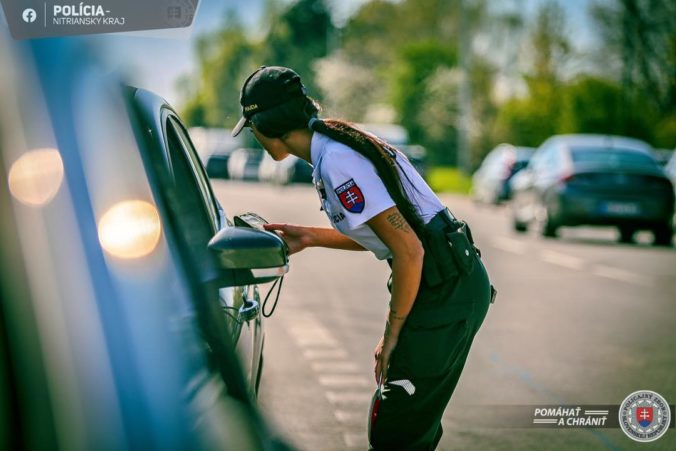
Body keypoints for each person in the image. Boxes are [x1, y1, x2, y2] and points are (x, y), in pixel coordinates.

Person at [232, 66, 494, 450]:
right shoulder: (331, 148)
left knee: (397, 428)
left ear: (268, 124)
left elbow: (408, 249)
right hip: (444, 280)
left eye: (251, 126)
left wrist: (391, 336)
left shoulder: (337, 160)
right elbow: (392, 235)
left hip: (445, 288)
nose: (252, 136)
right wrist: (309, 236)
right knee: (406, 426)